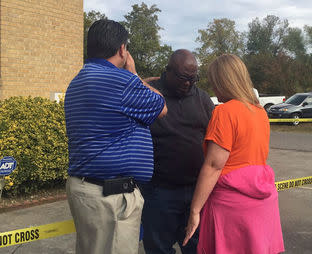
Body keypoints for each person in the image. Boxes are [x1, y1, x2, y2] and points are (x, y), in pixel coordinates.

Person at [64, 19, 167, 254]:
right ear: (122, 49)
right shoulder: (121, 81)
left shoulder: (77, 81)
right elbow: (161, 107)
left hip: (85, 189)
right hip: (110, 197)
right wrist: (134, 73)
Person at [183, 54, 285, 254]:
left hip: (231, 207)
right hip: (261, 203)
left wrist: (194, 211)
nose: (213, 87)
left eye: (214, 82)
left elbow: (214, 166)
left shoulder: (224, 113)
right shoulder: (260, 112)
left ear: (224, 82)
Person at [140, 49, 215, 254]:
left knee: (195, 247)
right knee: (158, 248)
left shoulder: (203, 100)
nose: (188, 84)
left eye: (193, 79)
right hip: (159, 191)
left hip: (195, 192)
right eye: (183, 78)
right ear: (168, 71)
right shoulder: (149, 94)